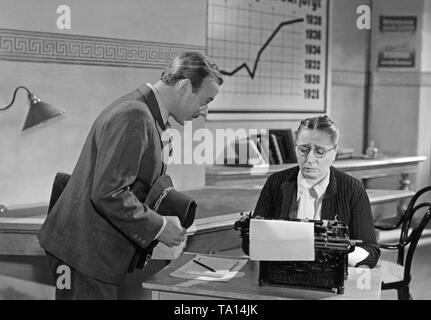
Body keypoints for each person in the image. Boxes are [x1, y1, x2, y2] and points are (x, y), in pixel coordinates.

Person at [38, 51, 223, 299]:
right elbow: (109, 193)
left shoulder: (146, 113)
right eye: (205, 101)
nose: (204, 112)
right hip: (83, 254)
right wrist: (159, 227)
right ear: (184, 86)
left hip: (90, 254)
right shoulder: (134, 114)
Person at [254, 116, 380, 268]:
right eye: (303, 149)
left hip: (329, 280)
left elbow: (371, 253)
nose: (309, 159)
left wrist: (332, 251)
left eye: (319, 151)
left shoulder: (353, 188)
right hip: (282, 276)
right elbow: (250, 242)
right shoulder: (275, 182)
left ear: (334, 153)